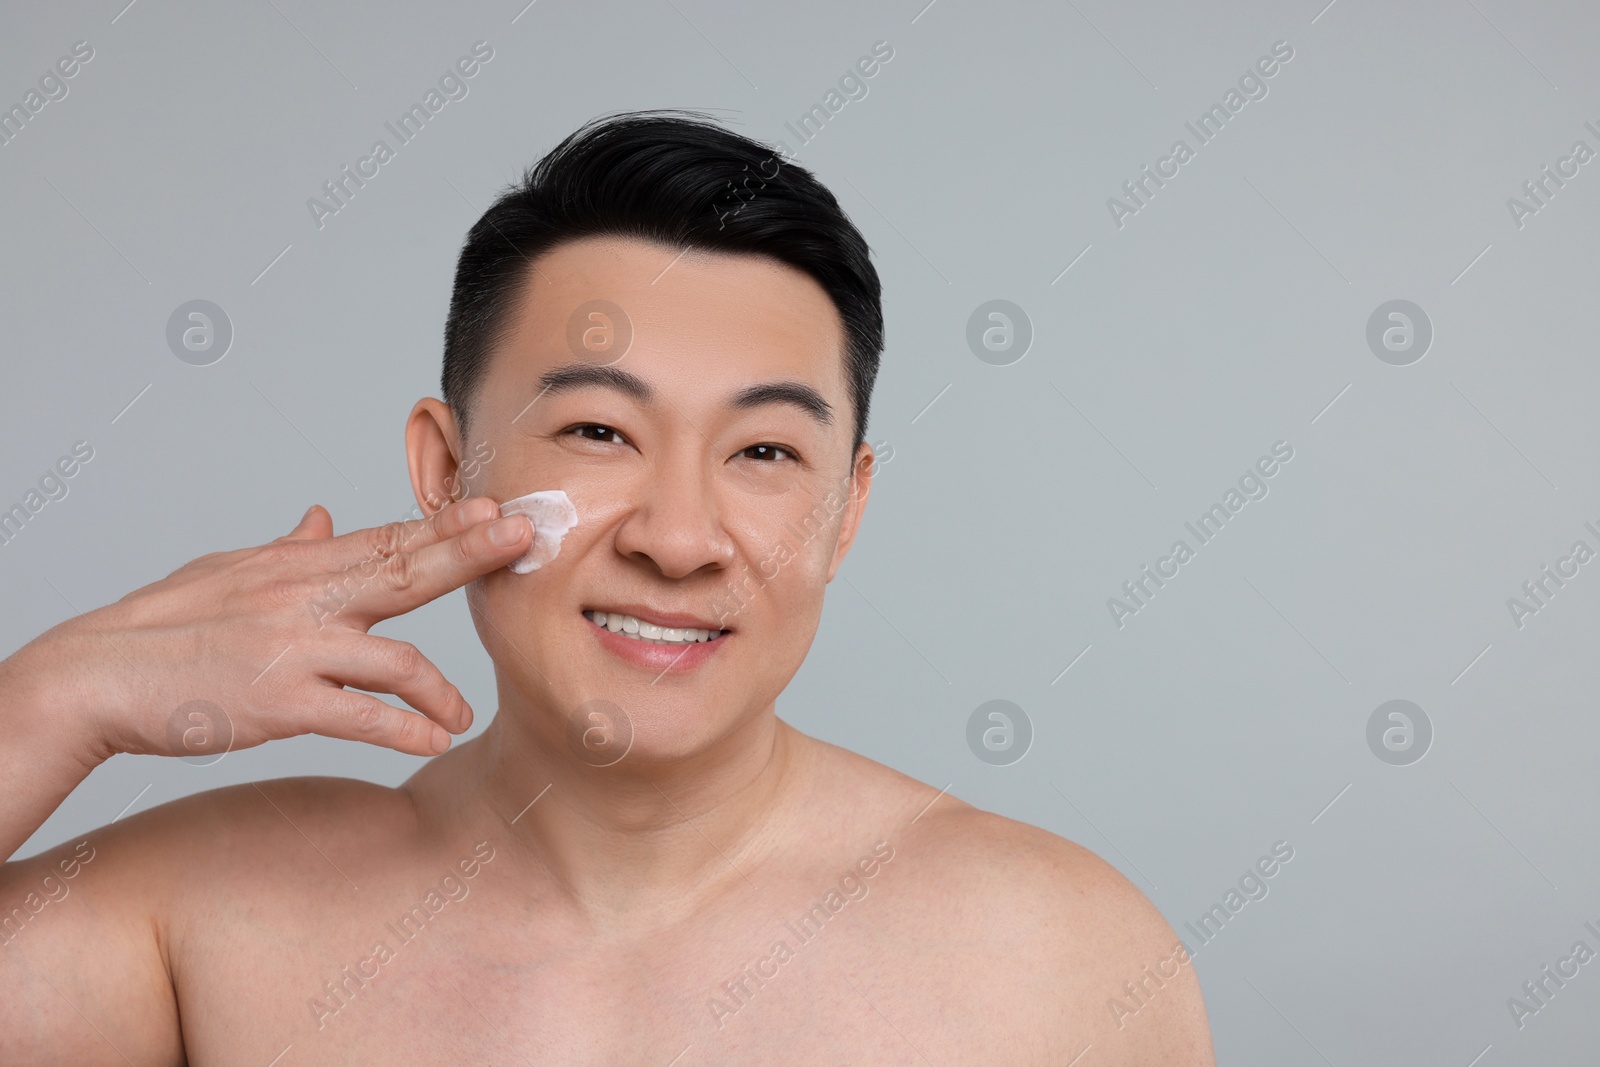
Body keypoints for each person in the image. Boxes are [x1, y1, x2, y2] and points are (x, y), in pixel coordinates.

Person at [0, 110, 1215, 1064]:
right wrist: (58, 698)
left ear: (847, 509)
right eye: (595, 431)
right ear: (443, 468)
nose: (680, 538)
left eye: (764, 452)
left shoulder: (1055, 953)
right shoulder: (211, 919)